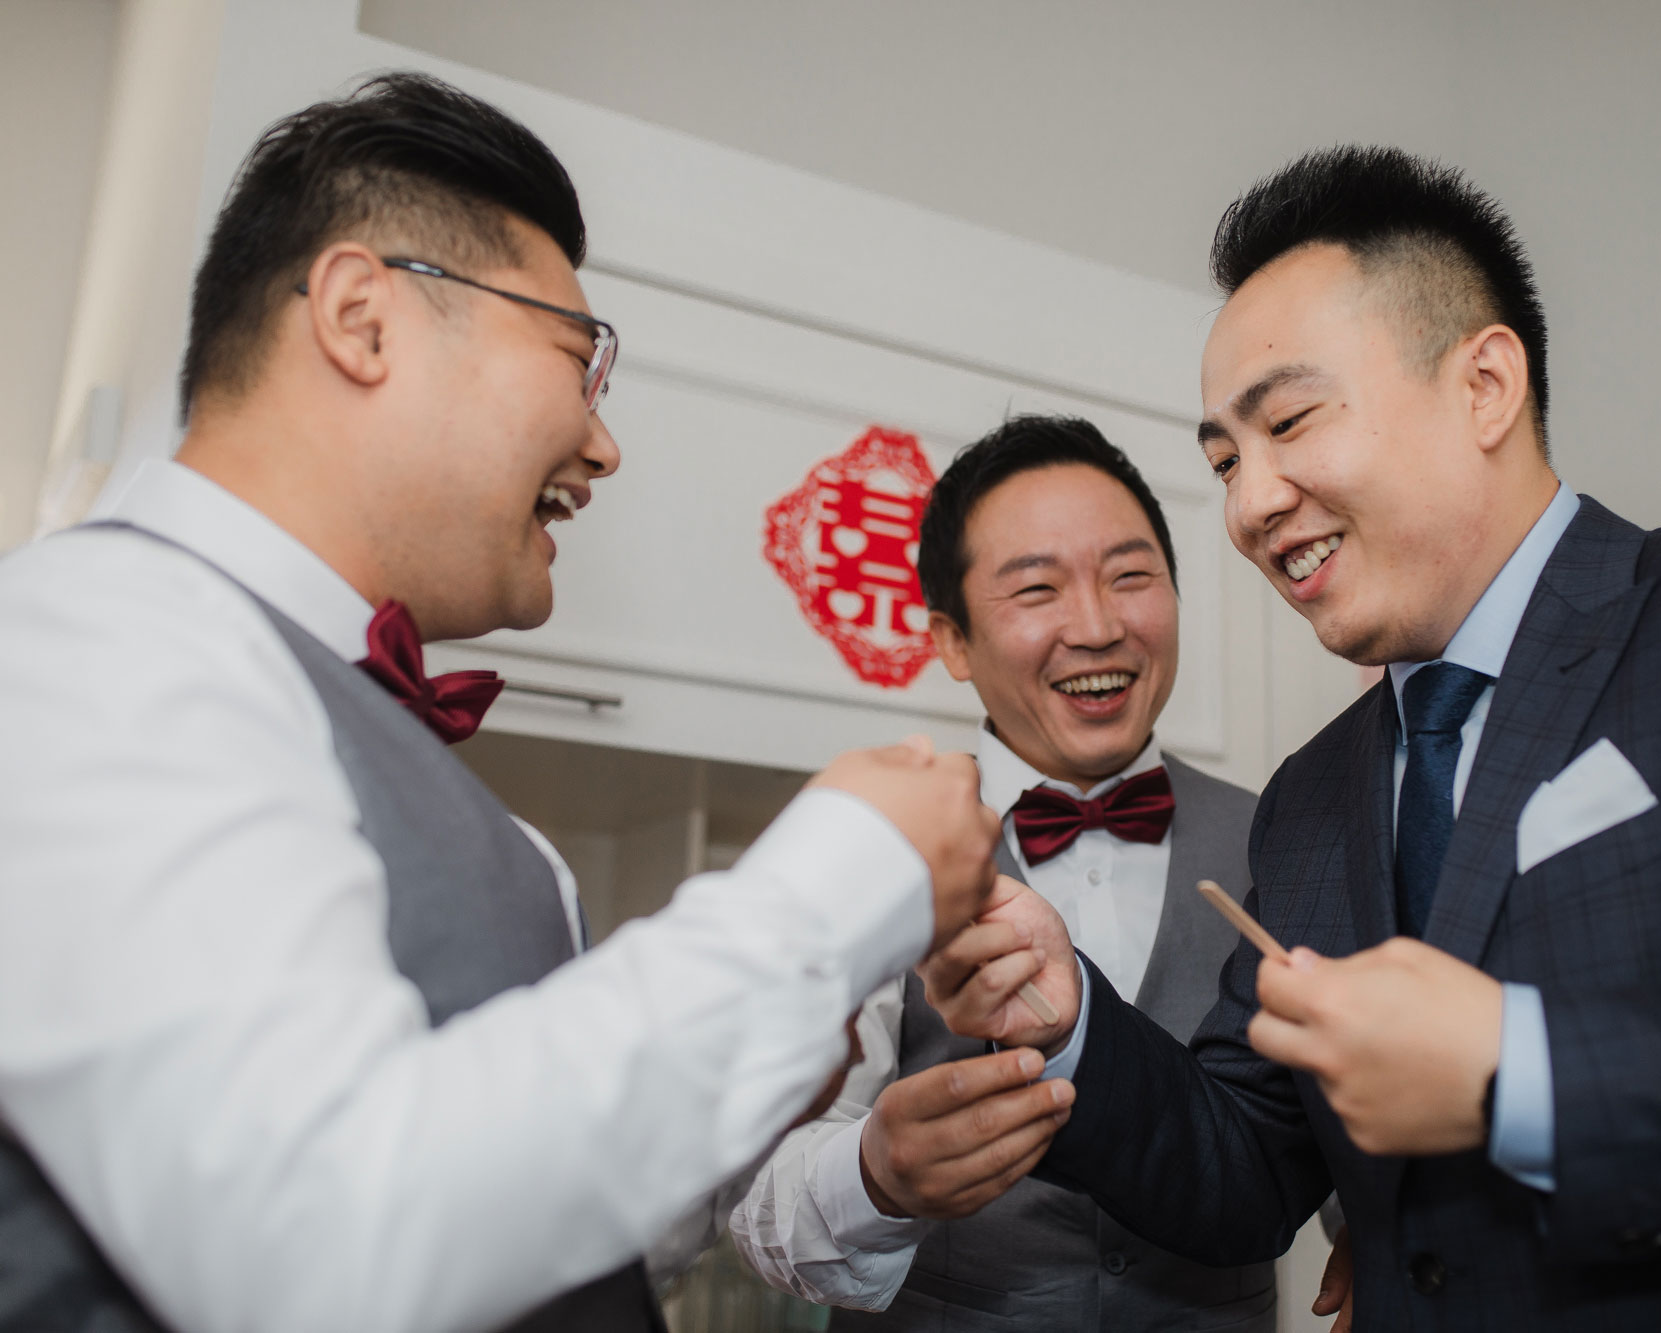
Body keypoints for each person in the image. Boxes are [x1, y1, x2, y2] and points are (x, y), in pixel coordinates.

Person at [0, 73, 999, 1333]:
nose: (603, 444)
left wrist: (790, 1086)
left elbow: (548, 1239)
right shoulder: (96, 632)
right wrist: (840, 875)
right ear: (363, 320)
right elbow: (312, 1247)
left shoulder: (482, 828)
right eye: (578, 361)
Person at [919, 146, 1661, 1331]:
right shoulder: (1312, 796)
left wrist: (1514, 1068)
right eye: (1223, 460)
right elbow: (1244, 1167)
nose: (1248, 504)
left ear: (1482, 385)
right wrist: (1069, 1020)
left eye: (1288, 421)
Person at [730, 415, 1290, 1330]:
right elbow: (755, 1185)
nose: (1099, 626)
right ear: (951, 640)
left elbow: (1340, 1111)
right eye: (1037, 588)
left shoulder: (1285, 829)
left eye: (1132, 575)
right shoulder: (869, 839)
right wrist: (878, 1172)